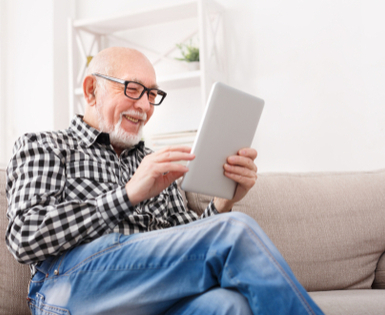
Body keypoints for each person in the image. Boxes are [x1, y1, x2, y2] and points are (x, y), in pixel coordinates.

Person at [6, 47, 324, 315]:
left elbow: (187, 242)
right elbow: (24, 236)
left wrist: (223, 202)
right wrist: (128, 194)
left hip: (152, 290)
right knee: (236, 230)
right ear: (91, 90)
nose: (144, 106)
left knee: (229, 304)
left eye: (152, 94)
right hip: (69, 287)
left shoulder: (158, 164)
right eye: (132, 89)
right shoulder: (45, 146)